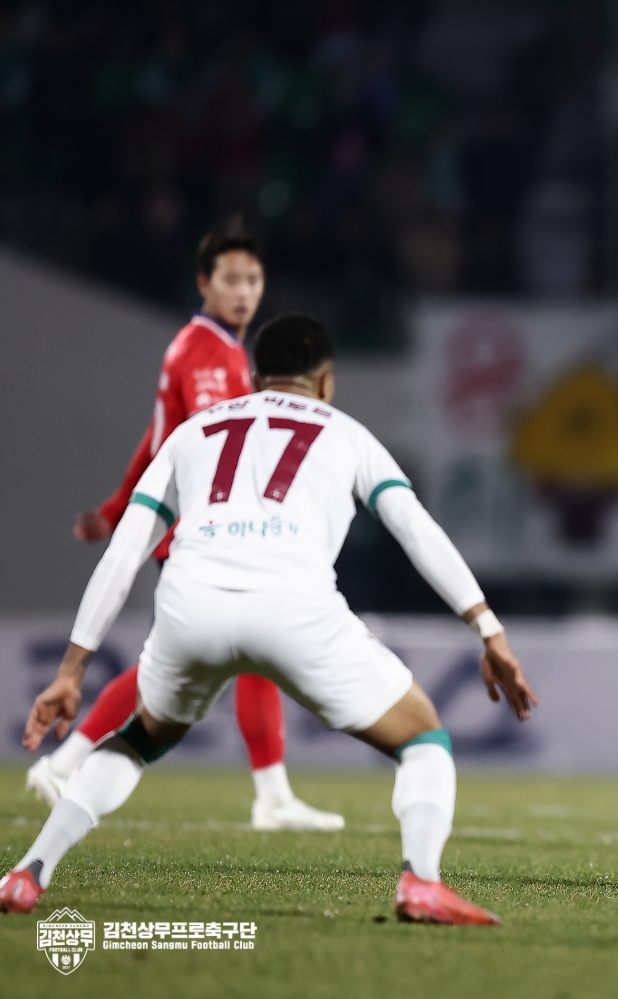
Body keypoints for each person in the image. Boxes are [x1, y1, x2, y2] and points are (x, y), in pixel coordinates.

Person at [0, 315, 538, 923]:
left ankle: (28, 871)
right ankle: (421, 882)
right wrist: (488, 630)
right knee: (423, 737)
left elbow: (124, 553)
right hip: (294, 609)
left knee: (139, 738)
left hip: (190, 606)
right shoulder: (348, 434)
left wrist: (72, 670)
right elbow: (416, 530)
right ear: (326, 383)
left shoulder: (192, 432)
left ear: (253, 379)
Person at [28, 219, 342, 833]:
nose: (244, 291)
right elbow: (211, 440)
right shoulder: (204, 352)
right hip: (203, 532)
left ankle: (68, 765)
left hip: (202, 529)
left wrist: (117, 508)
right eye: (231, 279)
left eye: (253, 279)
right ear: (204, 283)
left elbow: (157, 440)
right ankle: (71, 765)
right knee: (209, 658)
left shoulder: (211, 347)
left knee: (222, 656)